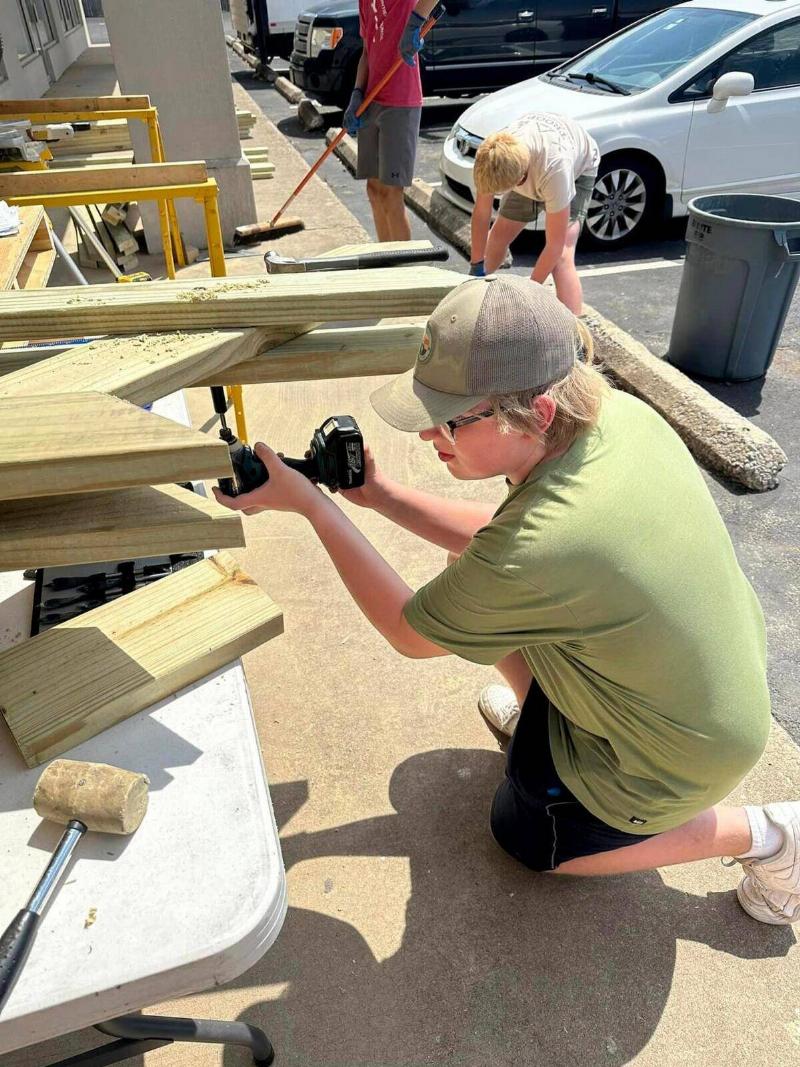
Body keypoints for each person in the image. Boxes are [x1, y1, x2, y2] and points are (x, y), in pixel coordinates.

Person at [213, 275, 799, 925]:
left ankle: (768, 835)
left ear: (535, 414)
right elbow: (499, 548)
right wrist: (381, 497)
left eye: (449, 419)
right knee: (472, 569)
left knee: (527, 834)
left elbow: (410, 631)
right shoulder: (616, 420)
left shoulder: (545, 542)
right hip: (696, 691)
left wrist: (312, 506)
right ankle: (541, 715)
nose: (428, 435)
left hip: (674, 759)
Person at [469, 113, 601, 314]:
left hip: (577, 170)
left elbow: (554, 246)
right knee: (498, 235)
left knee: (563, 256)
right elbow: (481, 214)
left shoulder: (555, 168)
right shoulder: (493, 156)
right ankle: (475, 302)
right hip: (530, 164)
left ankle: (574, 336)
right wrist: (476, 267)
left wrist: (529, 295)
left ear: (521, 179)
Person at [342, 0, 438, 241]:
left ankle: (404, 270)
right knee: (374, 190)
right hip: (371, 98)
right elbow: (366, 51)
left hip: (400, 101)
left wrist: (415, 23)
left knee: (391, 193)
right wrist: (356, 93)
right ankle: (385, 260)